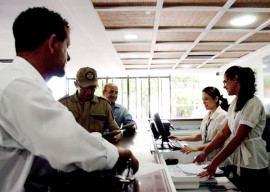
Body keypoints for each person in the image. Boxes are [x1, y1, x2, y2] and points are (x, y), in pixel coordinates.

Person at [0, 7, 138, 192]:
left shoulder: (14, 80)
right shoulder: (19, 86)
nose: (69, 56)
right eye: (67, 46)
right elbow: (70, 147)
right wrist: (122, 153)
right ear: (52, 44)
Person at [194, 66, 269, 192]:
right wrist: (205, 152)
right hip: (238, 161)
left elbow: (238, 137)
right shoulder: (234, 103)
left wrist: (215, 162)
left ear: (235, 79)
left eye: (225, 81)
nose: (224, 86)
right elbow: (224, 132)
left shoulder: (253, 103)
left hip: (253, 163)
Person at [169, 86, 231, 176]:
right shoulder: (207, 115)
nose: (203, 102)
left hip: (220, 163)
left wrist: (195, 148)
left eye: (206, 99)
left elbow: (218, 142)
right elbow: (201, 135)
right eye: (202, 99)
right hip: (207, 161)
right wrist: (179, 138)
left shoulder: (223, 116)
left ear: (216, 99)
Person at [58, 67, 122, 144]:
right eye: (85, 88)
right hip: (70, 148)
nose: (89, 92)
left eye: (92, 88)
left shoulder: (104, 105)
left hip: (96, 149)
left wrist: (118, 135)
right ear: (76, 84)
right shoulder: (63, 104)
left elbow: (115, 129)